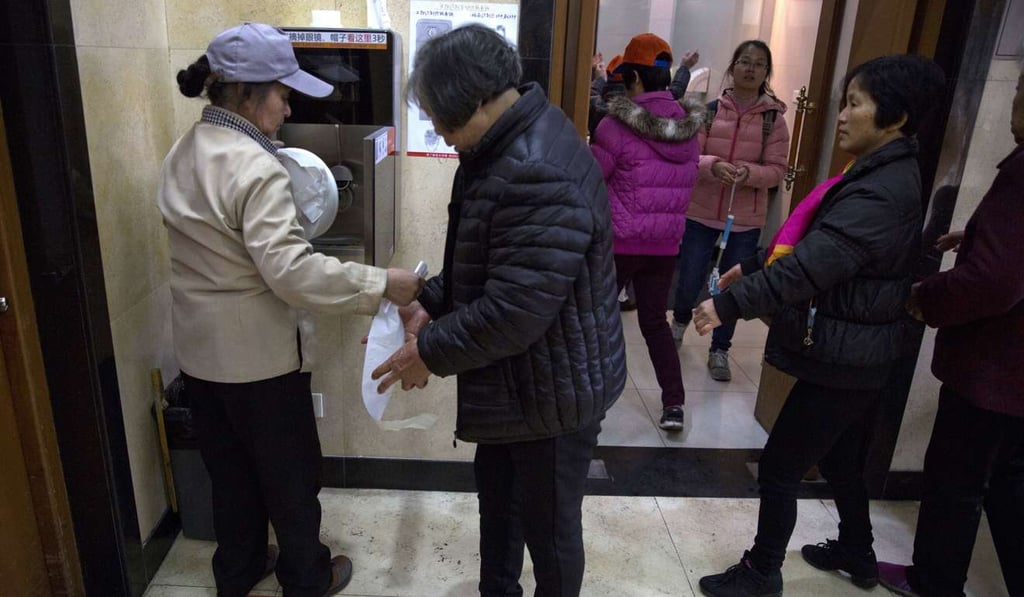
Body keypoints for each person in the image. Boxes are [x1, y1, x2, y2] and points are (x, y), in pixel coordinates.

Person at [160, 23, 423, 597]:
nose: (287, 105)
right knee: (291, 478)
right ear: (246, 93)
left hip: (201, 356)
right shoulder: (256, 167)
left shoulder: (184, 150)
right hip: (259, 362)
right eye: (281, 92)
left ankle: (239, 568)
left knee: (229, 476)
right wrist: (384, 284)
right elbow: (293, 272)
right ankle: (305, 577)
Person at [371, 24, 626, 597]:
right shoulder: (505, 140)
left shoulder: (538, 167)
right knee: (501, 507)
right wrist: (426, 299)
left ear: (483, 97)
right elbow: (495, 262)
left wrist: (427, 354)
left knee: (551, 535)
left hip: (555, 393)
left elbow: (515, 310)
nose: (438, 131)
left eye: (444, 117)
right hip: (520, 384)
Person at [690, 54, 945, 597]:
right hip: (858, 351)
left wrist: (730, 304)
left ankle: (762, 572)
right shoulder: (877, 173)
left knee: (781, 466)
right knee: (842, 457)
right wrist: (755, 265)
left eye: (856, 103)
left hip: (849, 355)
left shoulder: (882, 188)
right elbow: (812, 242)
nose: (844, 116)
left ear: (895, 117)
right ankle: (858, 551)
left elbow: (814, 263)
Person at [875, 64, 1024, 597]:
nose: (1014, 102)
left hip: (994, 371)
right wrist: (982, 233)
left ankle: (934, 584)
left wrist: (924, 298)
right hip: (1016, 381)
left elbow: (995, 282)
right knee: (1008, 485)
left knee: (956, 484)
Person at [590, 33, 703, 431]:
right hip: (665, 244)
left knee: (598, 321)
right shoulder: (690, 131)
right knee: (655, 322)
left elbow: (592, 178)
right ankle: (674, 404)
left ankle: (592, 405)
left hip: (619, 243)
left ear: (634, 79)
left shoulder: (614, 126)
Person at [670, 40, 790, 382]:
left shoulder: (774, 121)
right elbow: (692, 157)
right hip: (702, 211)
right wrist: (714, 165)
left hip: (745, 220)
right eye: (744, 62)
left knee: (731, 286)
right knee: (690, 276)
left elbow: (778, 170)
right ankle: (679, 324)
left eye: (759, 64)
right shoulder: (709, 111)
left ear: (766, 72)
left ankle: (720, 349)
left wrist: (749, 173)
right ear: (732, 67)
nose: (750, 69)